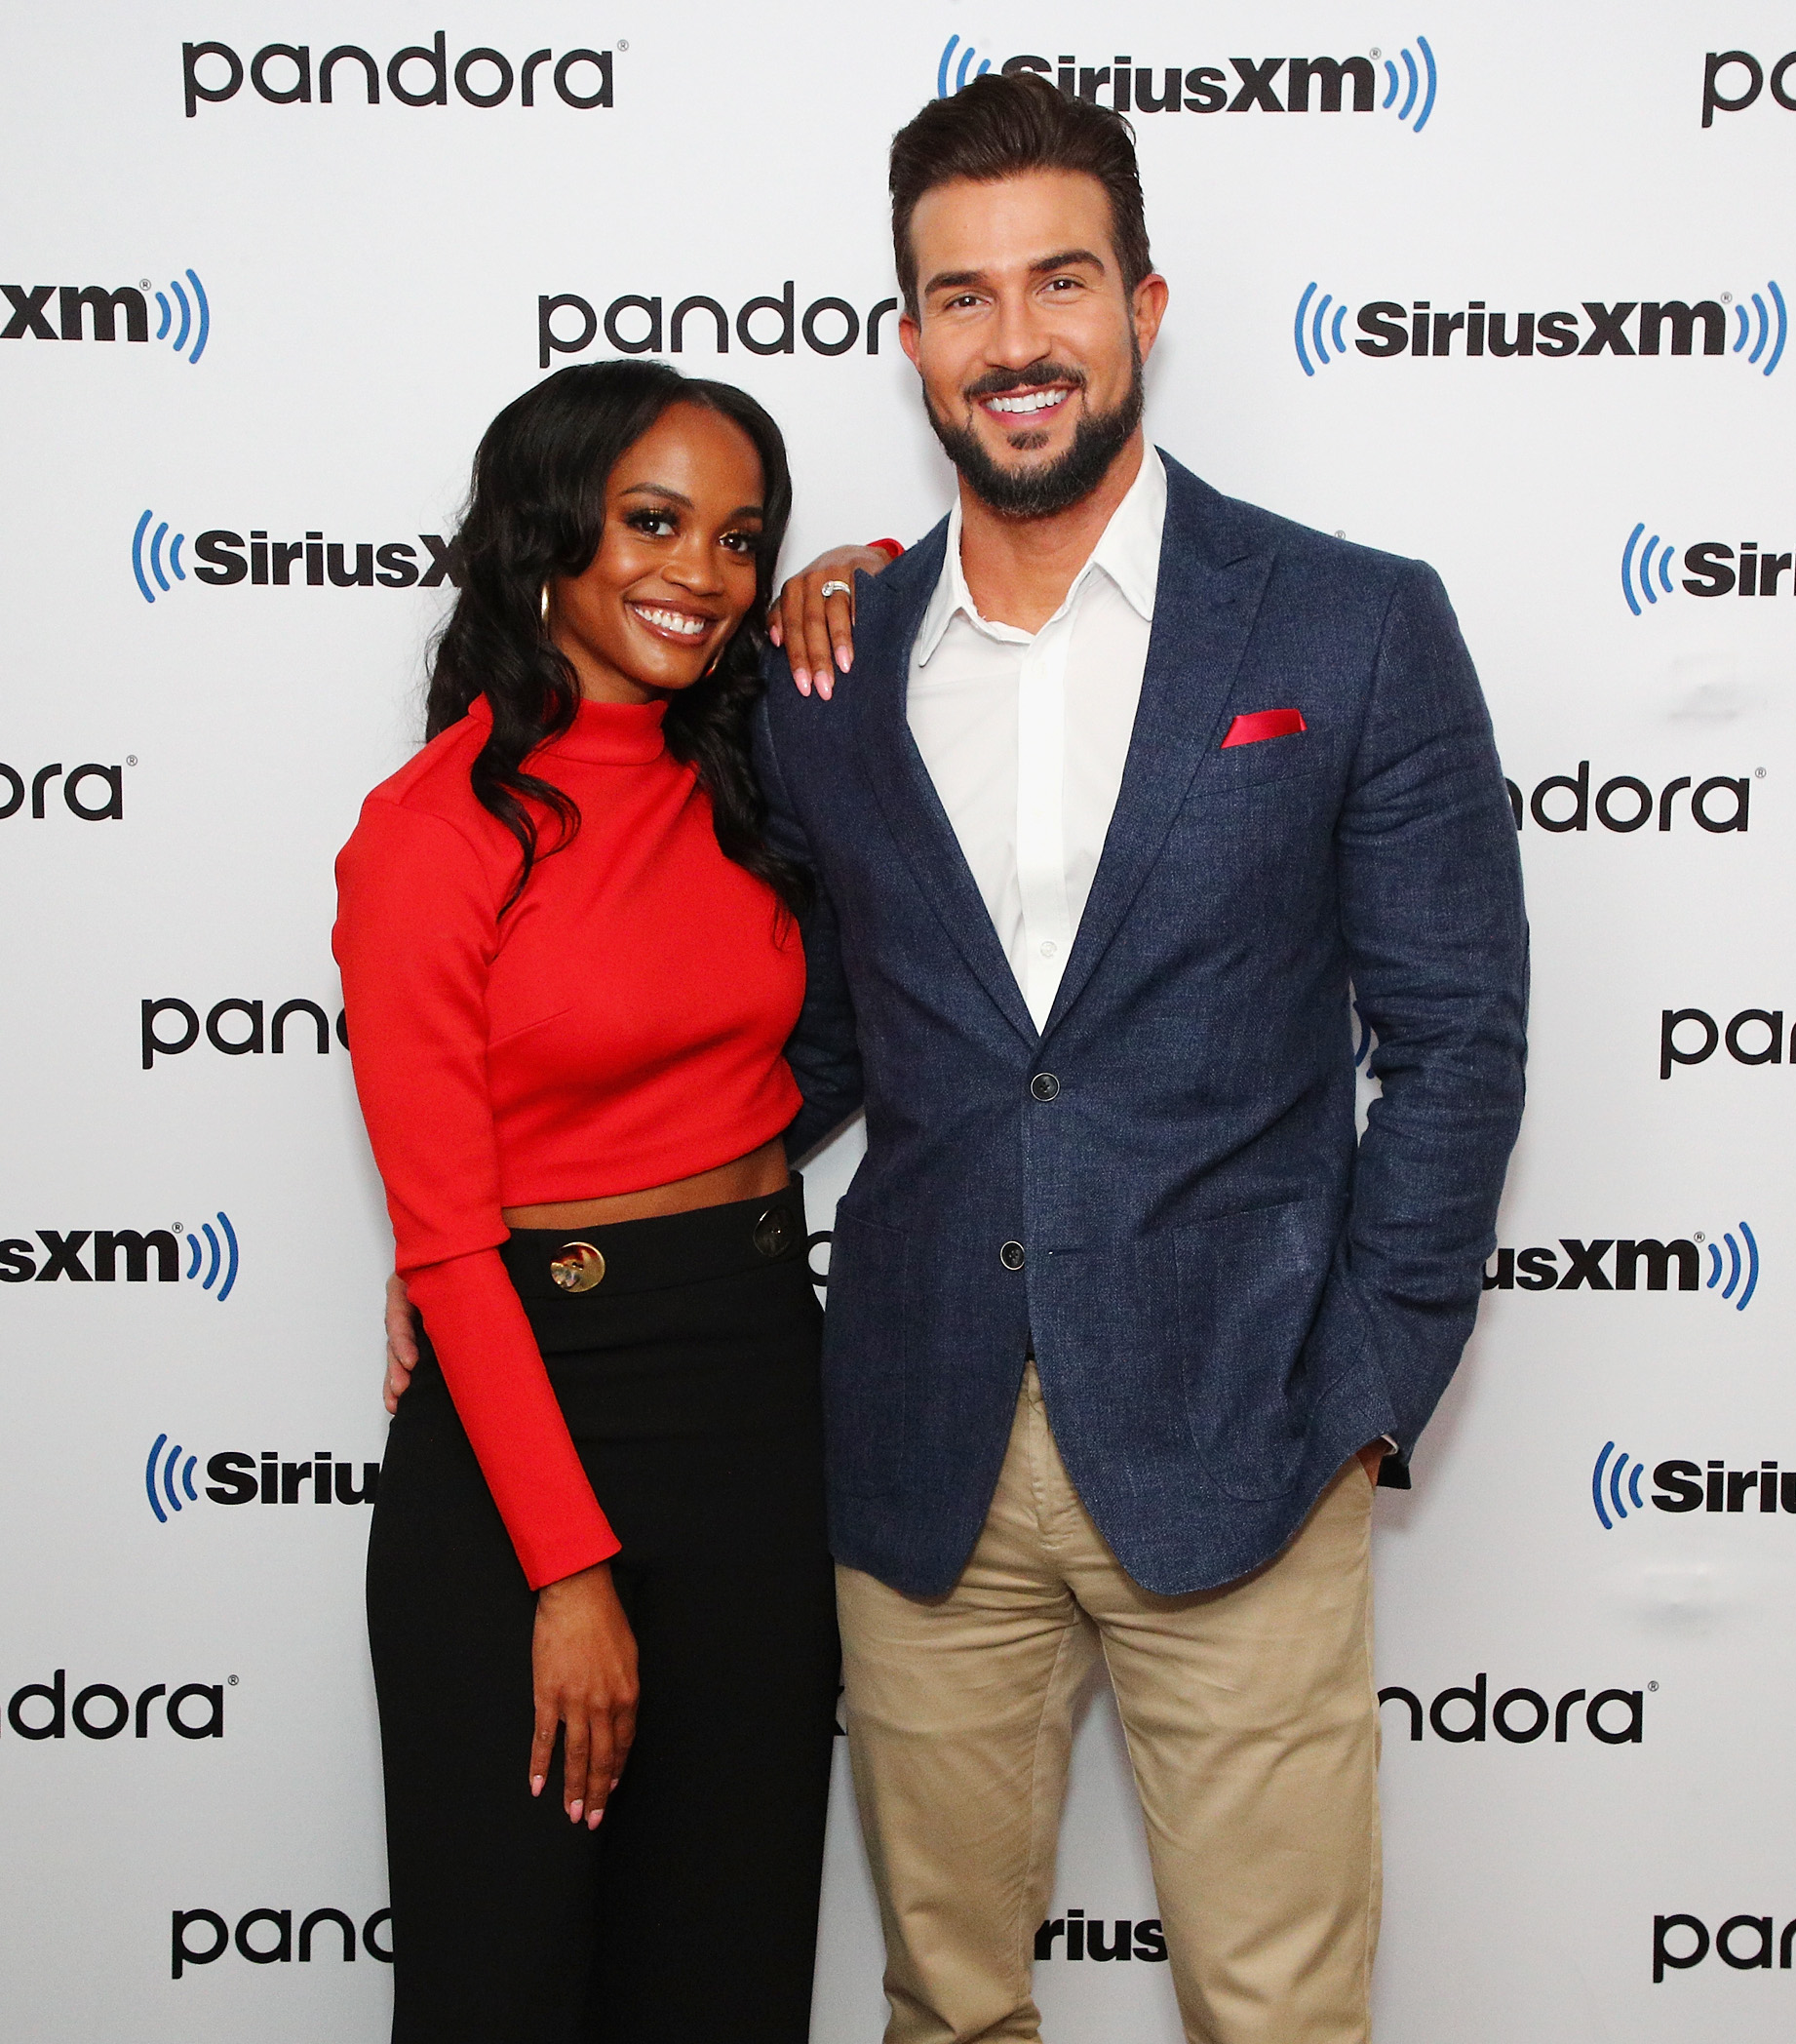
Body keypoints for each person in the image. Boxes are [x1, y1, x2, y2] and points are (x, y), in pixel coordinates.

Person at [758, 76, 1529, 2043]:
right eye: (964, 296)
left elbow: (1453, 1042)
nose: (1017, 340)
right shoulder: (827, 670)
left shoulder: (1352, 625)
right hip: (921, 1443)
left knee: (1277, 2010)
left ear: (1144, 302)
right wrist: (513, 1221)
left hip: (1246, 1436)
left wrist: (1364, 1385)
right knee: (947, 2002)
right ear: (907, 335)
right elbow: (803, 1036)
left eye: (1061, 283)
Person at [333, 358, 838, 2043]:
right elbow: (451, 1243)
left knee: (733, 1967)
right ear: (547, 534)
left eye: (743, 538)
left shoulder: (752, 766)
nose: (701, 572)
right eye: (652, 522)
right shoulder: (429, 834)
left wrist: (855, 578)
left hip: (762, 1397)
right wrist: (569, 1574)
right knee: (514, 1983)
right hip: (535, 1432)